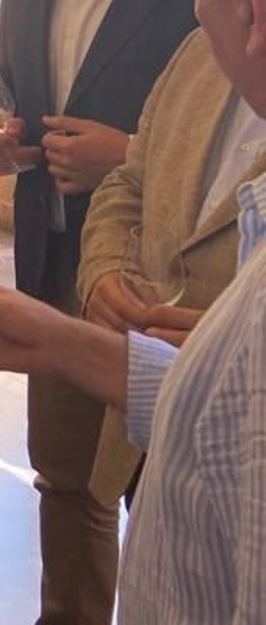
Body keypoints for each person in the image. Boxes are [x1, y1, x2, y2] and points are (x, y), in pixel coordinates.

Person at [0, 0, 266, 625]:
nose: (196, 17)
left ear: (249, 8)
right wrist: (65, 330)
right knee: (72, 489)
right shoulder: (196, 61)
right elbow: (134, 181)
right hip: (118, 338)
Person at [0, 0, 196, 625]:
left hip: (167, 278)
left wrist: (130, 157)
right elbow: (6, 77)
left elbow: (241, 125)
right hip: (56, 255)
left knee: (169, 480)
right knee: (66, 476)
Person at [72, 28, 259, 503]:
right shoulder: (200, 49)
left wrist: (241, 349)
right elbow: (131, 182)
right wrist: (105, 268)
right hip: (152, 430)